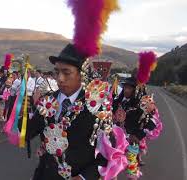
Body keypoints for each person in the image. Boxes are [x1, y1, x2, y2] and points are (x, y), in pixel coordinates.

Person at [25, 44, 127, 180]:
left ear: (81, 75)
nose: (60, 78)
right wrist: (21, 109)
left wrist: (84, 177)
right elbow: (26, 132)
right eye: (57, 72)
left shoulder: (98, 108)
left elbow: (108, 155)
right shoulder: (47, 102)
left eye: (66, 73)